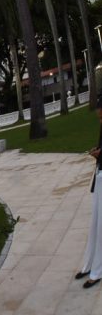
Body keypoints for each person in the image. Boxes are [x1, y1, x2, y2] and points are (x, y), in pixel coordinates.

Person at [77, 94, 102, 288]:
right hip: (100, 176)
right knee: (95, 224)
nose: (99, 118)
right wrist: (97, 153)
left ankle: (97, 270)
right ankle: (89, 264)